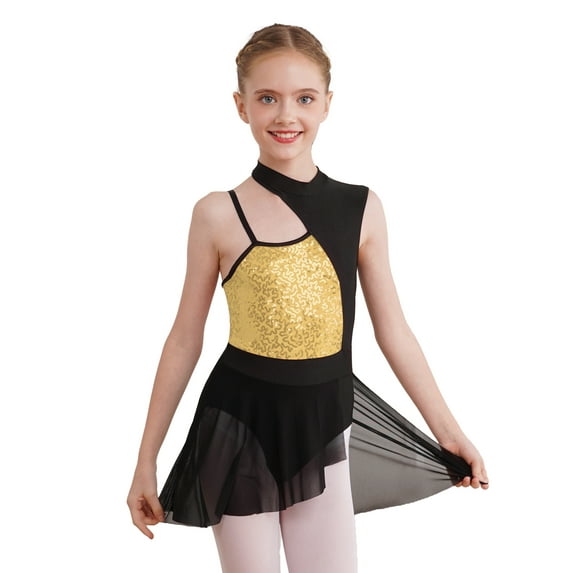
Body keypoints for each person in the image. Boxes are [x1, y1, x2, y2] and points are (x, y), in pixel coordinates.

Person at [127, 23, 488, 573]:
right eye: (266, 98)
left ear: (327, 104)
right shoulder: (217, 213)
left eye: (303, 98)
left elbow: (393, 331)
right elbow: (184, 338)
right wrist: (145, 459)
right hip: (240, 427)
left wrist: (451, 432)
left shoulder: (361, 207)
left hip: (324, 425)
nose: (285, 115)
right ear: (241, 105)